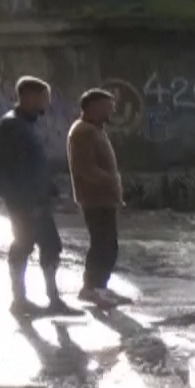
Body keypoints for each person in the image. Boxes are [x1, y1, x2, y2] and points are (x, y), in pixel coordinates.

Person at [0, 76, 69, 317]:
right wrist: (28, 201)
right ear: (30, 97)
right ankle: (22, 300)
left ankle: (49, 299)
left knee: (47, 245)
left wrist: (48, 188)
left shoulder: (24, 124)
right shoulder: (13, 126)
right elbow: (16, 169)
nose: (47, 103)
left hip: (34, 197)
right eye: (44, 98)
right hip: (26, 201)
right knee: (25, 244)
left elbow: (32, 164)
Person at [67, 88, 127, 307]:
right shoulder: (83, 132)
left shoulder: (95, 129)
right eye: (107, 107)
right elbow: (85, 168)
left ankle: (100, 287)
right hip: (94, 199)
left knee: (108, 245)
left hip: (104, 198)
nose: (112, 111)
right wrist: (110, 181)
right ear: (93, 107)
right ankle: (90, 288)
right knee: (102, 245)